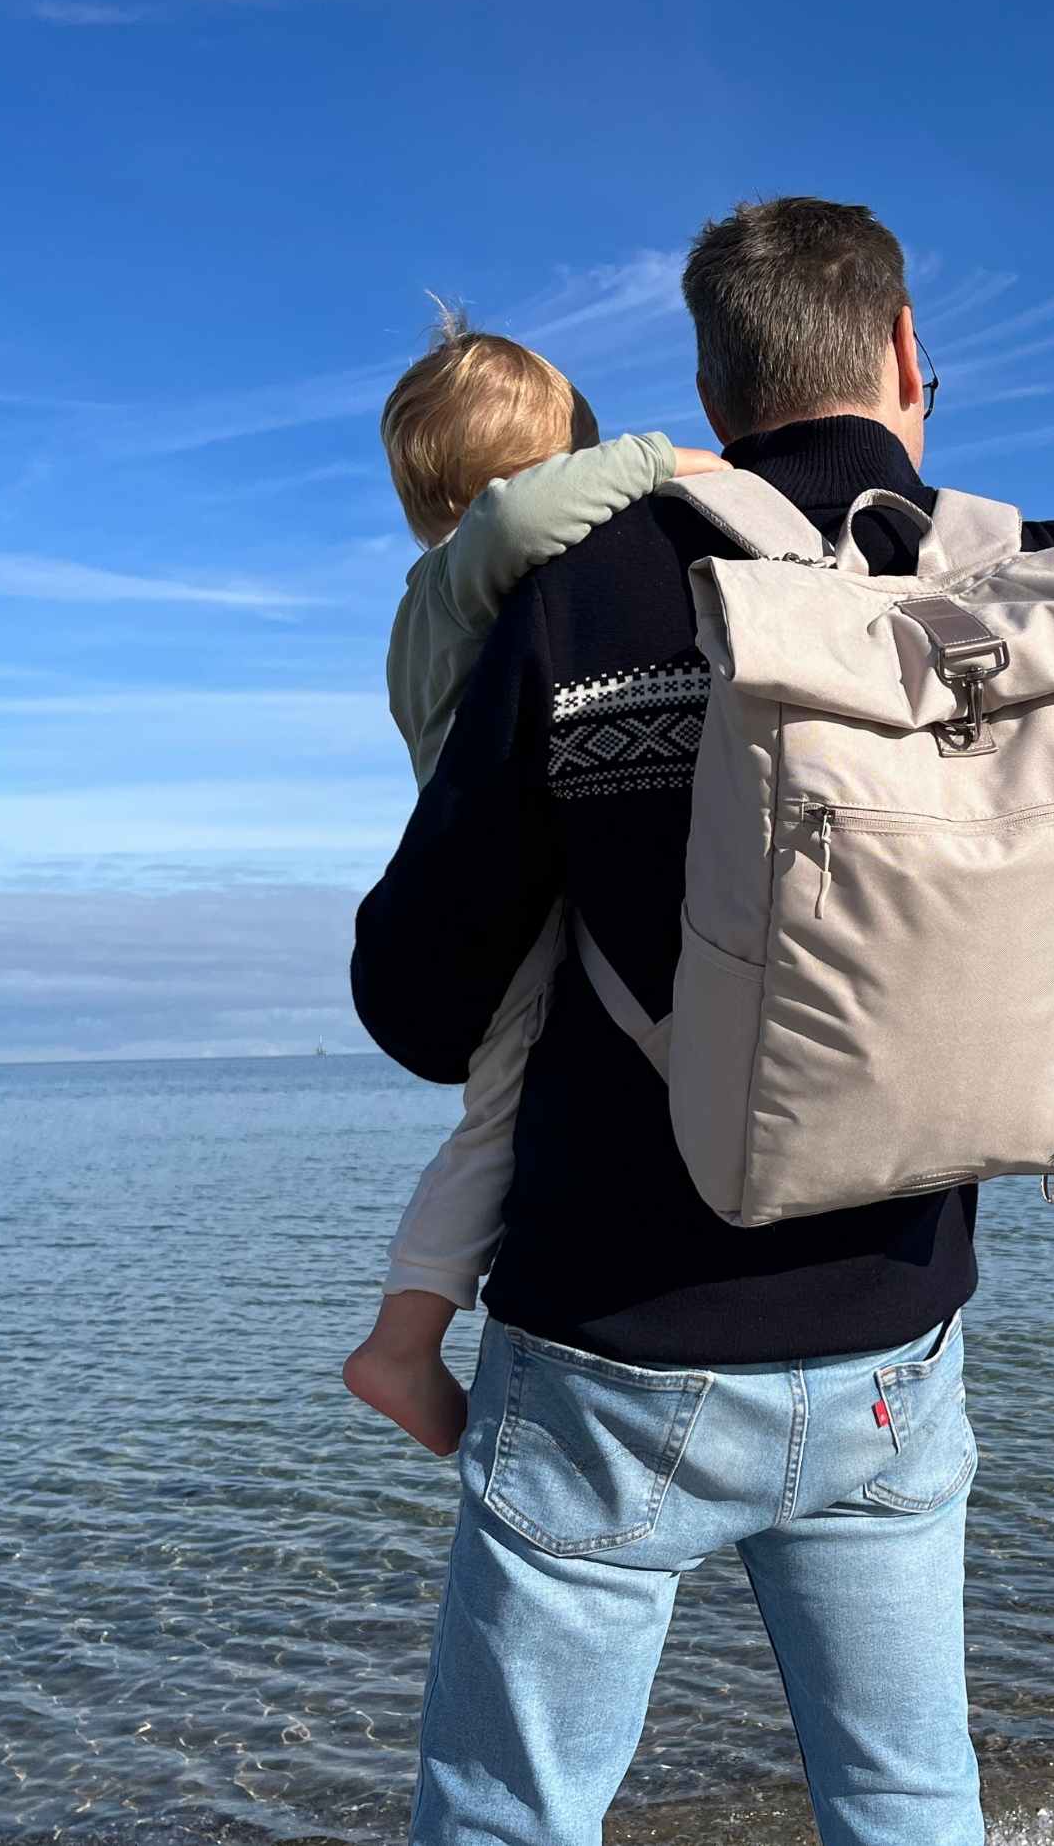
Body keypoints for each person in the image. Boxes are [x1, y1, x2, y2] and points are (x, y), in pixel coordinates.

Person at [351, 196, 1054, 1846]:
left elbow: (420, 1004)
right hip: (894, 1337)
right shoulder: (1031, 590)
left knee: (510, 1815)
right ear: (901, 353)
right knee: (903, 1802)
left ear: (711, 389)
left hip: (608, 1345)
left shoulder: (576, 599)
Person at [342, 305, 726, 1457]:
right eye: (580, 462)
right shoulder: (469, 576)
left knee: (508, 1108)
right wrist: (661, 460)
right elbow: (523, 512)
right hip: (503, 900)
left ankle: (411, 1336)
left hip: (489, 877)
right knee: (501, 1117)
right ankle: (402, 1345)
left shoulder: (429, 603)